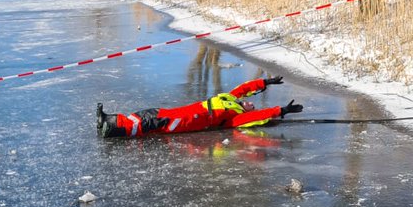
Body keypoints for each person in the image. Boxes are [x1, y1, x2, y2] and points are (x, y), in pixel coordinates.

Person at [96, 76, 302, 138]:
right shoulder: (231, 98)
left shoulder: (235, 117)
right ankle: (109, 120)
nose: (249, 103)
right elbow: (245, 88)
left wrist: (281, 110)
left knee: (153, 123)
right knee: (150, 113)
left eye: (251, 106)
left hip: (188, 121)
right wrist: (266, 82)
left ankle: (113, 131)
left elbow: (258, 117)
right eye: (249, 102)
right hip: (182, 111)